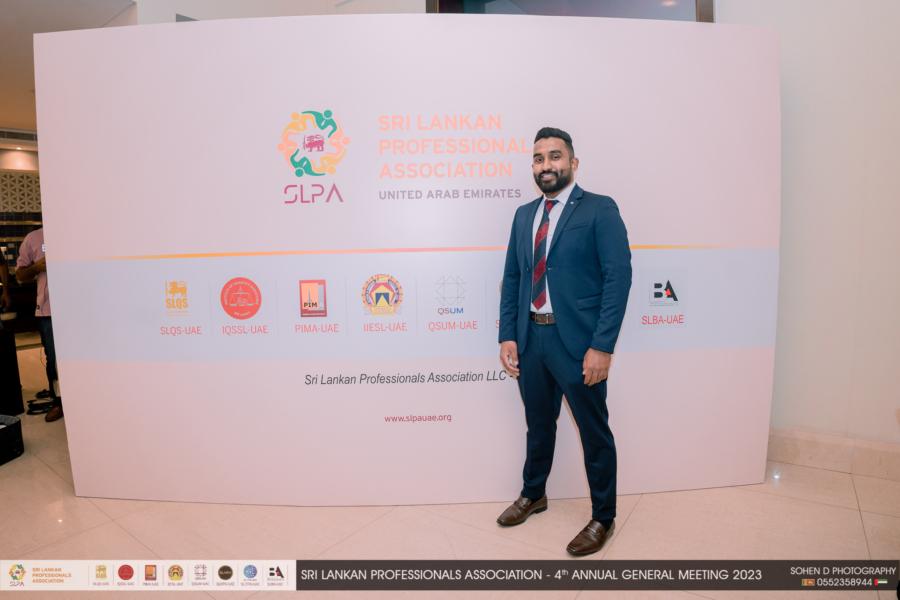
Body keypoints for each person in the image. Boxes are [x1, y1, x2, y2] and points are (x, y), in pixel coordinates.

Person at [497, 127, 631, 556]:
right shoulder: (524, 216)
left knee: (594, 432)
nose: (546, 165)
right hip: (531, 338)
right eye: (538, 158)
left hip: (578, 344)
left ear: (573, 163)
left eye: (555, 156)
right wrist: (507, 335)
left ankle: (603, 516)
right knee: (538, 425)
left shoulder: (599, 209)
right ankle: (533, 493)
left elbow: (618, 279)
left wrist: (602, 345)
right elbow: (512, 279)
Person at [16, 228, 63, 422]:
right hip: (48, 311)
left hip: (80, 309)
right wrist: (37, 267)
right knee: (54, 359)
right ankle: (58, 401)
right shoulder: (33, 237)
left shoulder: (78, 231)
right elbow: (20, 274)